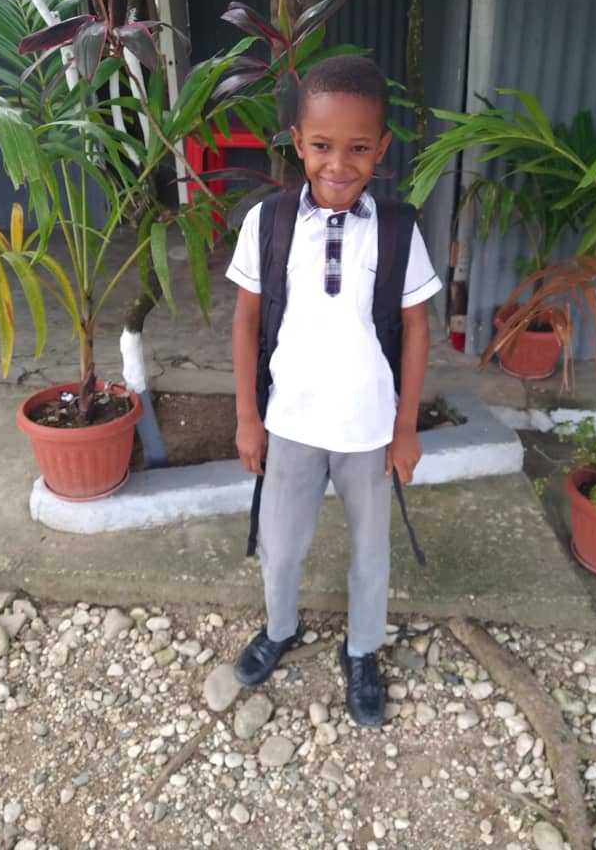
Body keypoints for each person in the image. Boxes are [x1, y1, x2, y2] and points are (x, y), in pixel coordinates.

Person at [225, 55, 442, 727]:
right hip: (289, 423)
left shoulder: (398, 229)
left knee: (371, 552)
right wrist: (247, 417)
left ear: (382, 147)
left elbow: (415, 328)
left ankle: (362, 649)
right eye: (322, 145)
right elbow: (246, 319)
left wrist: (405, 428)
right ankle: (279, 627)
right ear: (298, 142)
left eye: (358, 148)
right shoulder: (269, 222)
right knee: (280, 545)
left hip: (369, 430)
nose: (338, 164)